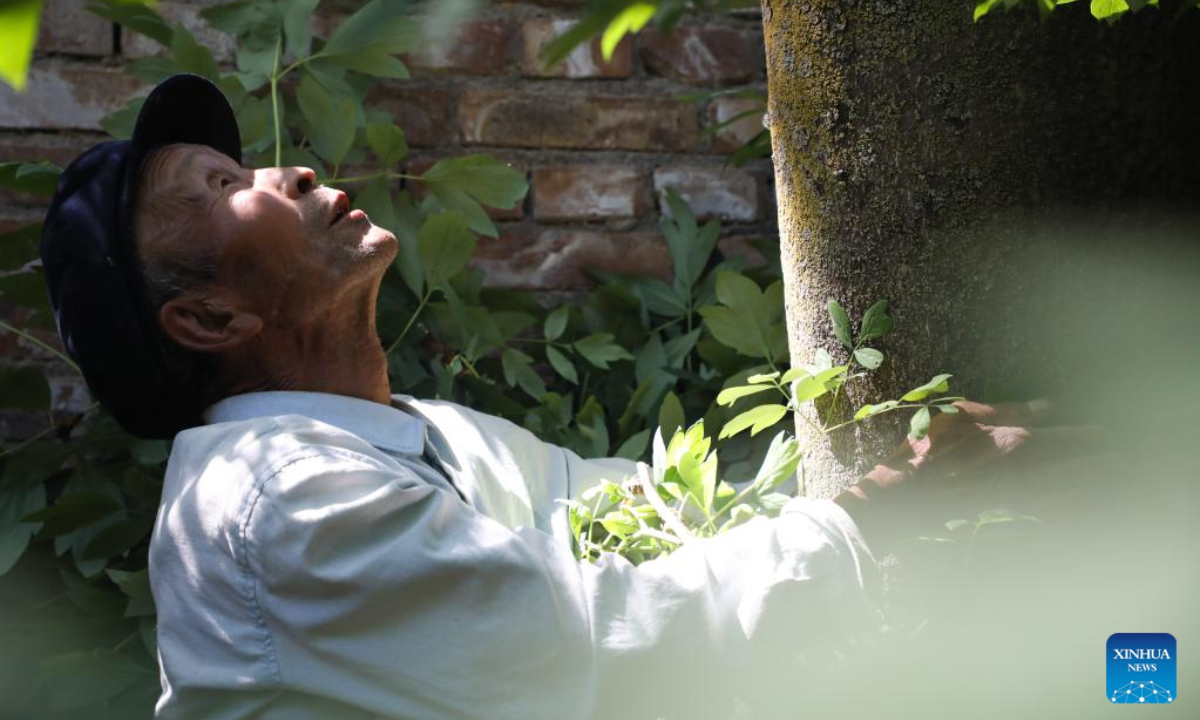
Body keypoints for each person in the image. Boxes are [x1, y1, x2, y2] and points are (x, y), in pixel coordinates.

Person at [37, 74, 1091, 720]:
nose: (287, 175)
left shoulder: (435, 441)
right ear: (211, 321)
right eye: (221, 191)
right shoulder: (269, 508)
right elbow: (611, 640)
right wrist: (897, 507)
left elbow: (643, 520)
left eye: (245, 163)